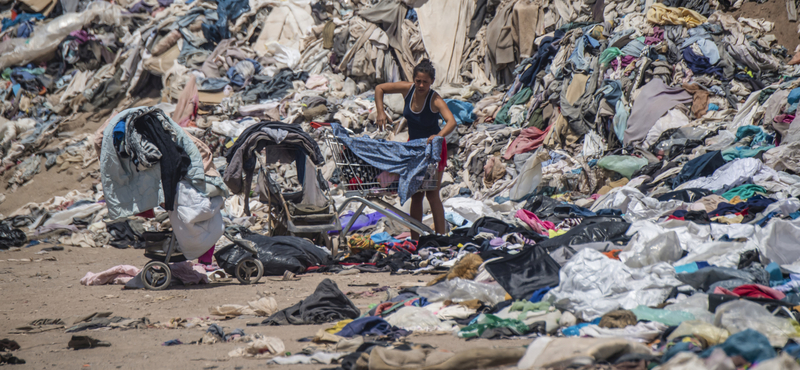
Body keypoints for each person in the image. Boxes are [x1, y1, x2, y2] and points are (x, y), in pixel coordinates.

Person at [373, 59, 457, 239]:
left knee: (432, 195)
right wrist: (380, 111)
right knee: (416, 195)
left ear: (431, 82)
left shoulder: (435, 99)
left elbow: (451, 121)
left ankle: (440, 238)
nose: (420, 85)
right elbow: (380, 88)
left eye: (425, 82)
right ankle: (415, 240)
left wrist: (439, 135)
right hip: (413, 150)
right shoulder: (407, 89)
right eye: (418, 80)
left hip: (433, 150)